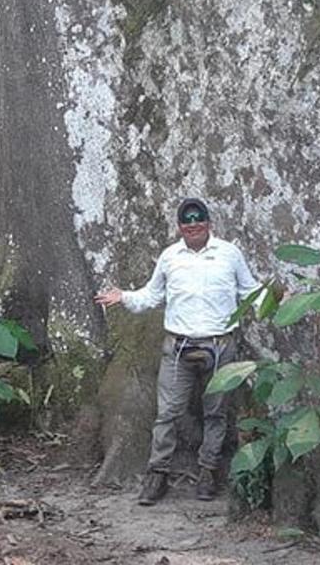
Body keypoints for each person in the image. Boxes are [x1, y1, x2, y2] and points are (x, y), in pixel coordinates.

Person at [95, 198, 261, 505]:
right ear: (180, 228)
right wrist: (124, 297)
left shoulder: (229, 254)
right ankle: (157, 474)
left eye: (199, 221)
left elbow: (250, 292)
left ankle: (208, 472)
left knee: (216, 412)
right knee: (167, 414)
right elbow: (152, 295)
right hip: (179, 346)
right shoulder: (170, 257)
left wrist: (278, 298)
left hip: (219, 344)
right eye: (188, 223)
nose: (194, 226)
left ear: (210, 224)